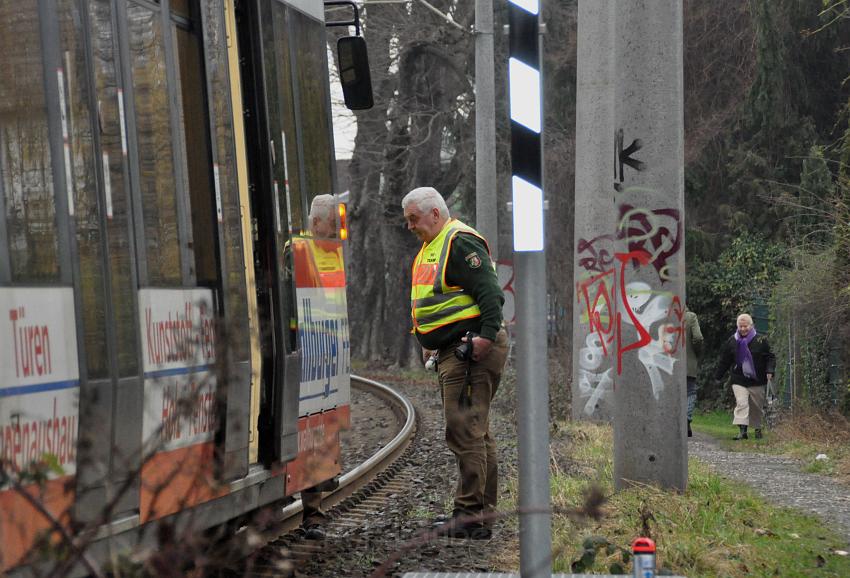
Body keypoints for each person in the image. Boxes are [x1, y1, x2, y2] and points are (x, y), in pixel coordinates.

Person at [402, 186, 508, 540]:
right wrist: (427, 340)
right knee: (476, 432)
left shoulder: (458, 242)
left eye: (413, 218)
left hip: (470, 351)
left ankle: (468, 516)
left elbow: (491, 293)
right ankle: (478, 517)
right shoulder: (432, 246)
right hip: (453, 351)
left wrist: (486, 337)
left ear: (434, 213)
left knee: (464, 432)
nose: (409, 226)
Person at [299, 194, 340, 540]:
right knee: (310, 434)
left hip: (326, 358)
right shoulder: (295, 252)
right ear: (316, 223)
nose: (338, 230)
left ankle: (315, 511)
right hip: (305, 355)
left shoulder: (332, 253)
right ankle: (312, 512)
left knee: (321, 433)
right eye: (333, 223)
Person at [713, 313, 775, 440]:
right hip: (738, 379)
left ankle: (758, 428)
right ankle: (742, 431)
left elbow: (770, 357)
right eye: (740, 326)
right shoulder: (732, 341)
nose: (743, 329)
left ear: (751, 326)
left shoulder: (760, 340)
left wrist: (770, 370)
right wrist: (718, 376)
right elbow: (725, 360)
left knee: (756, 406)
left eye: (745, 326)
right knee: (741, 403)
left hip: (757, 379)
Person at [685, 308, 704, 437]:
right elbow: (698, 337)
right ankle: (686, 418)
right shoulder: (690, 316)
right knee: (690, 392)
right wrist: (695, 353)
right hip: (687, 364)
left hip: (663, 365)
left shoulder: (660, 313)